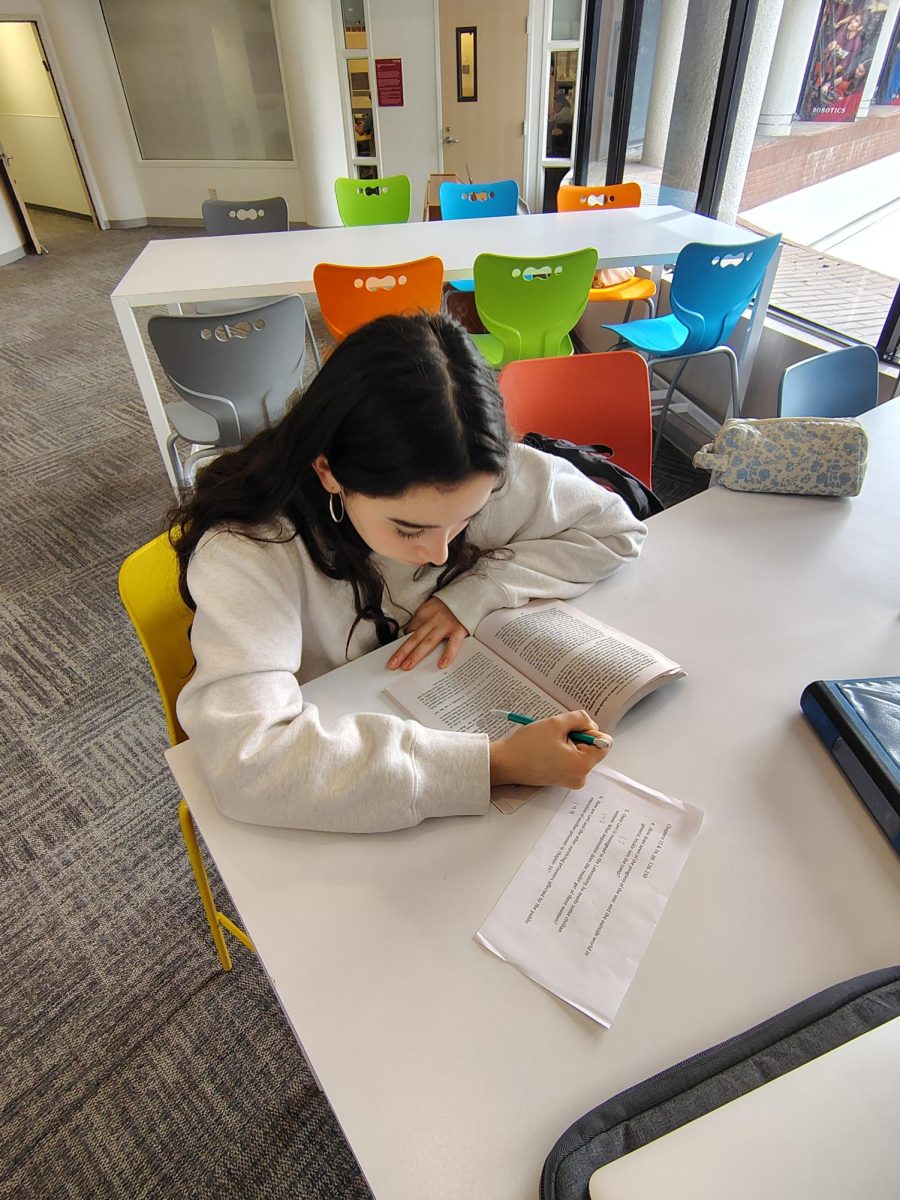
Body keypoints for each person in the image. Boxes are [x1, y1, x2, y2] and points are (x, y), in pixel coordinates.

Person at [168, 313, 647, 833]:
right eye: (409, 528)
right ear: (330, 472)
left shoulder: (479, 465)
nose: (441, 554)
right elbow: (247, 761)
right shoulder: (248, 549)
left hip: (410, 715)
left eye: (466, 520)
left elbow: (615, 531)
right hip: (330, 774)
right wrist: (497, 765)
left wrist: (481, 590)